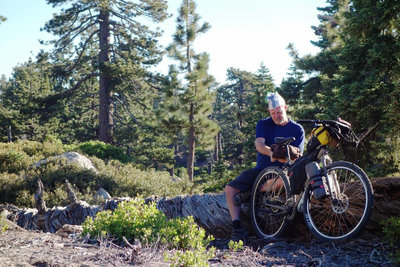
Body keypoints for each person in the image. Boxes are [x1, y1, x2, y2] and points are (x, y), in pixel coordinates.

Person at [224, 92, 305, 241]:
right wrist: (271, 153)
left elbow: (298, 155)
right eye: (273, 113)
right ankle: (237, 228)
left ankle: (253, 193)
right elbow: (259, 144)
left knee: (285, 178)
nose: (276, 116)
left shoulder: (297, 129)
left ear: (285, 108)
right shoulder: (263, 124)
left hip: (284, 172)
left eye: (279, 111)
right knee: (230, 189)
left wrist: (284, 159)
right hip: (260, 170)